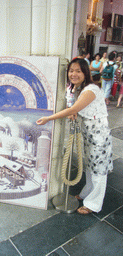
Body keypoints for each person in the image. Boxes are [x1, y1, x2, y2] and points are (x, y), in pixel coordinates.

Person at [36, 58, 113, 215]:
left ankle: (93, 204)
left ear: (85, 72)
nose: (74, 74)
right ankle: (86, 195)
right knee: (90, 168)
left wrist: (48, 118)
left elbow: (74, 108)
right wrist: (75, 111)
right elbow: (79, 108)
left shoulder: (91, 89)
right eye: (71, 70)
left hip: (99, 137)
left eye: (78, 71)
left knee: (98, 171)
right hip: (90, 136)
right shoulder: (79, 89)